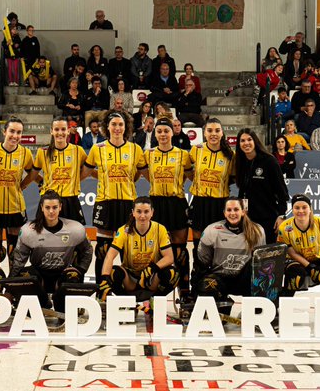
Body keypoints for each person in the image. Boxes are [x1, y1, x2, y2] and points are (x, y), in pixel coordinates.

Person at [81, 110, 146, 280]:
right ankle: (102, 288)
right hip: (105, 203)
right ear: (107, 127)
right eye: (114, 124)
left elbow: (141, 173)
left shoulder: (135, 149)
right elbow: (85, 172)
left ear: (126, 127)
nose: (117, 128)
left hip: (128, 204)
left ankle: (129, 287)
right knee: (103, 250)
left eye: (120, 124)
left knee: (129, 249)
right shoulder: (97, 149)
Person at [8, 191, 92, 312]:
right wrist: (9, 291)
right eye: (47, 207)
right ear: (42, 208)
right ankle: (43, 302)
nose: (51, 211)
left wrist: (80, 270)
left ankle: (62, 304)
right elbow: (18, 261)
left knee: (73, 276)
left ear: (60, 207)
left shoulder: (75, 229)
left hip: (63, 274)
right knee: (25, 275)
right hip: (39, 275)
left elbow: (87, 251)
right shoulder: (28, 230)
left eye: (54, 207)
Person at [142, 118, 193, 302]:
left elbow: (190, 176)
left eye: (166, 131)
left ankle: (185, 290)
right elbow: (145, 174)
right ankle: (155, 288)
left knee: (180, 250)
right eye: (159, 131)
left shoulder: (183, 155)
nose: (163, 134)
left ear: (172, 133)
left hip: (177, 203)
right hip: (156, 203)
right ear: (155, 134)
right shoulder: (148, 155)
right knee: (157, 248)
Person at [98, 197, 178, 303]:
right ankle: (126, 303)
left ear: (152, 213)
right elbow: (110, 256)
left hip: (151, 278)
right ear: (133, 213)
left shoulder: (160, 229)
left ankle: (155, 302)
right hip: (130, 279)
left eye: (146, 212)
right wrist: (104, 278)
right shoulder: (124, 230)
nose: (142, 216)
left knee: (173, 274)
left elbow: (170, 257)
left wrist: (152, 268)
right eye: (139, 212)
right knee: (112, 273)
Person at [188, 118, 235, 296]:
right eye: (210, 130)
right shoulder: (196, 151)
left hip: (219, 203)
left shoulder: (230, 155)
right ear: (204, 133)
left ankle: (218, 287)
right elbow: (186, 170)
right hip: (200, 202)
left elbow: (232, 178)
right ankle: (196, 287)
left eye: (217, 130)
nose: (213, 134)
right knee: (199, 246)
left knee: (219, 246)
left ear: (222, 133)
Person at [195, 198, 266, 313]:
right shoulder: (212, 230)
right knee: (206, 286)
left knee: (258, 269)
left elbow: (261, 262)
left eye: (236, 209)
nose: (232, 213)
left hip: (244, 280)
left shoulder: (257, 231)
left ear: (243, 211)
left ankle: (254, 308)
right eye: (229, 210)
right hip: (221, 278)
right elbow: (202, 262)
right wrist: (197, 289)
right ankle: (223, 303)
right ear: (224, 212)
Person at [0, 117, 35, 269]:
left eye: (19, 132)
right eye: (12, 131)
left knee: (15, 252)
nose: (15, 135)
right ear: (4, 131)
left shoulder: (25, 153)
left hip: (16, 208)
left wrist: (23, 185)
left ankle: (12, 286)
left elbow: (32, 172)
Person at [30, 117, 87, 224]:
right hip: (49, 201)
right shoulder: (43, 152)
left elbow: (89, 170)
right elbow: (33, 173)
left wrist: (77, 179)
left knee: (74, 236)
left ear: (68, 131)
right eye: (56, 129)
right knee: (45, 235)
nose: (60, 133)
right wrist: (26, 184)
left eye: (63, 129)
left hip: (71, 200)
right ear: (51, 131)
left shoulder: (78, 150)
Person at [235, 129, 288, 244]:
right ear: (239, 144)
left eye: (249, 139)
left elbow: (282, 191)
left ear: (255, 141)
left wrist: (281, 215)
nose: (246, 143)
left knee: (267, 256)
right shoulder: (241, 162)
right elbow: (242, 191)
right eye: (242, 140)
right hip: (249, 219)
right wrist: (242, 214)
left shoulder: (269, 161)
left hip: (268, 218)